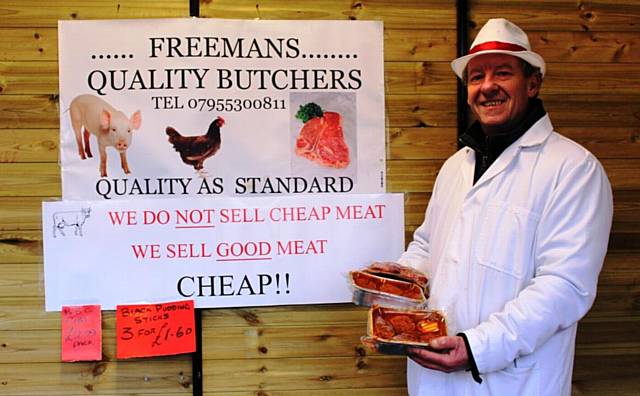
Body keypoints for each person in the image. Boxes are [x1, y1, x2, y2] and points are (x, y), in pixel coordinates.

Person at [395, 18, 613, 395]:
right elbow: (428, 246)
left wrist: (478, 347)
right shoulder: (455, 166)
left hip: (515, 381)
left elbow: (565, 286)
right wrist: (397, 282)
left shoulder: (574, 169)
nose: (487, 87)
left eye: (502, 73)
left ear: (533, 83)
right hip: (433, 375)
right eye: (476, 77)